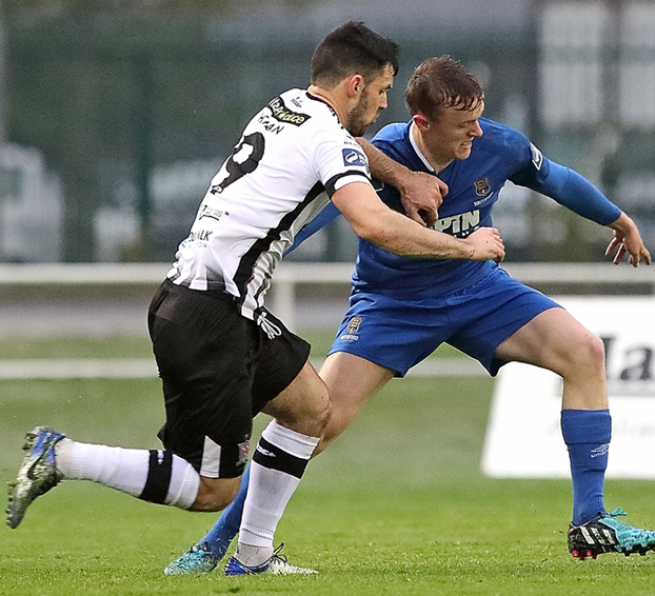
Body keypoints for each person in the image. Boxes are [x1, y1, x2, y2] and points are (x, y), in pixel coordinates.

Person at [5, 28, 505, 577]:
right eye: (383, 90)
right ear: (356, 84)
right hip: (210, 313)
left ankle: (253, 555)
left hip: (215, 304)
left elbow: (352, 146)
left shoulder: (289, 105)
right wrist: (467, 247)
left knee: (311, 408)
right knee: (211, 489)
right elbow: (372, 222)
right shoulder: (327, 140)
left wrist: (404, 175)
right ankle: (62, 456)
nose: (386, 103)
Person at [164, 55, 655, 576]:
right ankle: (218, 545)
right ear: (423, 123)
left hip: (478, 291)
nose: (477, 132)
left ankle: (590, 519)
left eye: (479, 118)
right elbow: (305, 217)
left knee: (584, 351)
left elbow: (557, 180)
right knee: (316, 422)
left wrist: (620, 220)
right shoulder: (381, 156)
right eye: (464, 125)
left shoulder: (500, 144)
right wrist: (254, 263)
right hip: (390, 305)